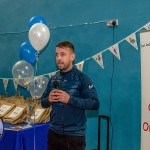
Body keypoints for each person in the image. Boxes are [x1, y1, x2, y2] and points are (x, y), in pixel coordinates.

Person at [41, 41, 99, 150]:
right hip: (53, 134)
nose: (58, 58)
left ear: (72, 57)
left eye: (62, 54)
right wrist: (48, 99)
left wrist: (70, 100)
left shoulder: (82, 78)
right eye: (57, 55)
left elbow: (94, 103)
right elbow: (42, 103)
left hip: (74, 136)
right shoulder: (53, 79)